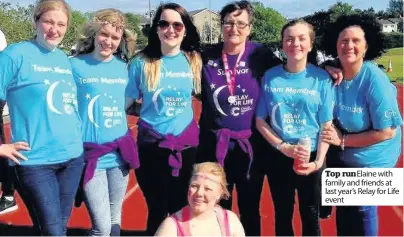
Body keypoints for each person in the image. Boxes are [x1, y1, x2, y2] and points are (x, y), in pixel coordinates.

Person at [196, 1, 282, 235]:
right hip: (213, 146)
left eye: (241, 23)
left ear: (250, 27)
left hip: (251, 148)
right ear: (221, 26)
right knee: (216, 208)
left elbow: (292, 71)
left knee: (250, 208)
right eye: (229, 23)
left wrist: (329, 66)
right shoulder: (204, 56)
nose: (234, 28)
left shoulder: (261, 54)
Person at [0, 0, 84, 235]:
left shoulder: (64, 59)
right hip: (35, 162)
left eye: (61, 24)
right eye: (48, 21)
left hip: (72, 158)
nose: (54, 29)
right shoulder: (14, 55)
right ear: (36, 21)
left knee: (56, 228)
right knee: (53, 231)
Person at [320, 14, 403, 236]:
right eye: (343, 41)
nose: (349, 46)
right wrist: (324, 66)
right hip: (347, 150)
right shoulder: (330, 73)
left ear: (367, 47)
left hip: (376, 153)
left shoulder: (375, 79)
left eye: (356, 41)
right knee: (344, 205)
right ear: (335, 46)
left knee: (362, 206)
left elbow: (387, 131)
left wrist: (342, 140)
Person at [125, 3, 202, 235]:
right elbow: (124, 105)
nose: (171, 29)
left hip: (187, 149)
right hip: (151, 148)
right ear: (156, 29)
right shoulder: (141, 63)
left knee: (183, 211)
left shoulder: (194, 61)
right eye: (164, 23)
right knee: (157, 211)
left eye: (177, 24)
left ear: (185, 30)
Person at [256, 19, 334, 236]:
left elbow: (326, 125)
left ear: (310, 44)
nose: (295, 43)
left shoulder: (322, 79)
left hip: (311, 157)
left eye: (302, 38)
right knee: (282, 213)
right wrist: (282, 146)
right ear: (282, 45)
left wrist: (318, 161)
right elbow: (260, 120)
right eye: (289, 39)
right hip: (279, 155)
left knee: (310, 213)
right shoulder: (271, 77)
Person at [70, 9, 138, 236]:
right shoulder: (74, 65)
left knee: (115, 217)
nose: (108, 41)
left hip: (119, 154)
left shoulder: (124, 68)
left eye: (115, 37)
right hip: (91, 156)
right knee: (101, 226)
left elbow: (127, 102)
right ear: (94, 33)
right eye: (104, 34)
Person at [155, 162, 245, 236]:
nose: (199, 193)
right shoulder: (171, 226)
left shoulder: (230, 220)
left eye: (207, 189)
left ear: (219, 194)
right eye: (194, 186)